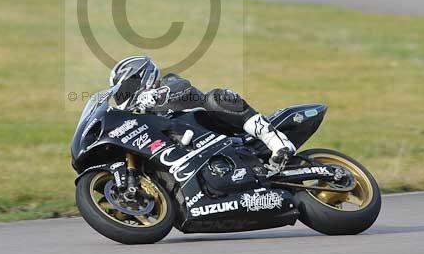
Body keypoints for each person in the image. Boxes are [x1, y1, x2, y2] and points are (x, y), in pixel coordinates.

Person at [109, 56, 296, 169]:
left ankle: (278, 143)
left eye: (127, 86)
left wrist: (157, 95)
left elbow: (181, 85)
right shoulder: (141, 116)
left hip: (222, 132)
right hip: (193, 156)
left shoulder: (169, 82)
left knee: (217, 97)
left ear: (143, 76)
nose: (124, 94)